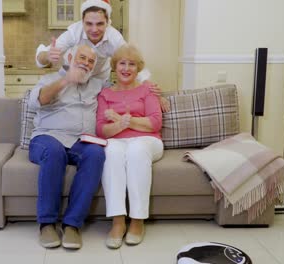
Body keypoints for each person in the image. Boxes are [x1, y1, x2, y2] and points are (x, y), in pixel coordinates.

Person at [28, 44, 106, 250]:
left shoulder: (98, 85)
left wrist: (153, 92)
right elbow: (39, 100)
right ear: (70, 57)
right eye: (82, 58)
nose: (86, 63)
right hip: (47, 137)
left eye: (91, 61)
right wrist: (66, 80)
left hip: (81, 141)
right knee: (54, 153)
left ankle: (72, 224)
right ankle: (46, 223)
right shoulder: (49, 79)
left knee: (97, 153)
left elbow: (126, 90)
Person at [36, 0, 171, 112]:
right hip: (71, 75)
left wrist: (153, 93)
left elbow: (131, 63)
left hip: (98, 81)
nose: (94, 30)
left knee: (98, 111)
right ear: (82, 21)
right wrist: (47, 55)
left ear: (107, 22)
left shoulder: (114, 37)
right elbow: (41, 58)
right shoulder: (73, 32)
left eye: (100, 24)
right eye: (89, 24)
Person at [96, 44, 164, 249]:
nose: (126, 68)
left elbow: (154, 123)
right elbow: (101, 130)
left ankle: (137, 221)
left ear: (138, 68)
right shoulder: (105, 94)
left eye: (131, 64)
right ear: (115, 67)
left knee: (136, 151)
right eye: (122, 63)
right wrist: (121, 124)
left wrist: (121, 120)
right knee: (111, 151)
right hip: (116, 140)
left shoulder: (148, 90)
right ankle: (117, 222)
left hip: (147, 141)